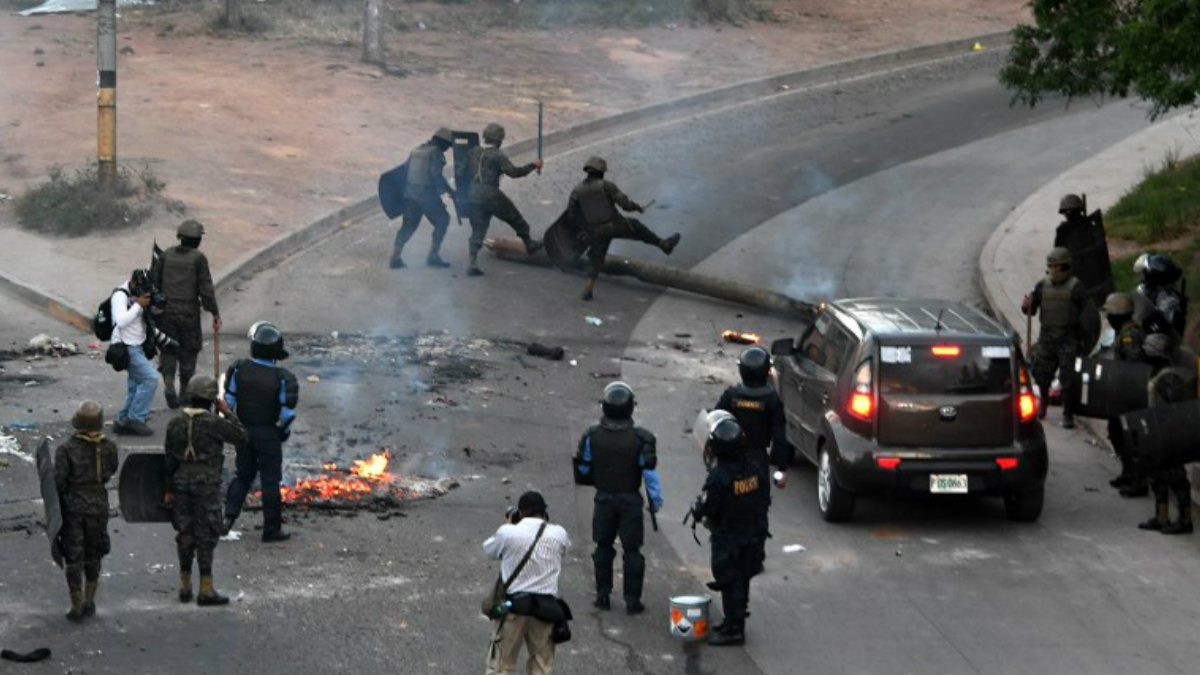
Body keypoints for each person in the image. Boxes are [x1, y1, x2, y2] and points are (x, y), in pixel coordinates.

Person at [572, 382, 662, 614]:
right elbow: (649, 474)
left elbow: (583, 468)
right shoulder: (642, 438)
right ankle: (632, 600)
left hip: (603, 498)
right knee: (632, 551)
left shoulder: (592, 435)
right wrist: (655, 501)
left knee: (602, 546)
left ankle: (603, 594)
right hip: (630, 499)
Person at [164, 375, 247, 605]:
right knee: (206, 535)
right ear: (210, 400)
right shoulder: (214, 423)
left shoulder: (175, 423)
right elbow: (241, 436)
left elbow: (169, 460)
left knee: (185, 534)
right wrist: (227, 411)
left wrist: (168, 489)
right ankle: (206, 589)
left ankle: (184, 585)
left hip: (181, 483)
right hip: (206, 486)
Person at [688, 417, 767, 646]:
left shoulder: (719, 477)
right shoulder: (752, 469)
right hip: (750, 534)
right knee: (739, 580)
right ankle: (731, 621)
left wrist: (697, 510)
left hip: (727, 537)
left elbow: (710, 506)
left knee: (728, 580)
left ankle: (735, 629)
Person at [223, 322, 299, 542]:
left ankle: (227, 521)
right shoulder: (284, 377)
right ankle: (271, 530)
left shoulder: (238, 368)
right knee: (270, 481)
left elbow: (228, 402)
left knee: (242, 477)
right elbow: (287, 414)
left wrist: (230, 426)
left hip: (243, 433)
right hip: (268, 434)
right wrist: (281, 431)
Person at [567, 156, 681, 300]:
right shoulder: (606, 186)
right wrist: (637, 207)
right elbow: (625, 204)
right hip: (614, 225)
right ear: (601, 172)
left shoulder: (576, 191)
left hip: (595, 231)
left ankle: (588, 289)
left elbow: (572, 215)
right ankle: (664, 245)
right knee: (637, 228)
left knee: (596, 258)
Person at [482, 491, 571, 675]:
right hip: (546, 610)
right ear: (544, 512)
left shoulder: (508, 533)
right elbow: (564, 548)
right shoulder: (559, 533)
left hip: (514, 608)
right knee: (541, 667)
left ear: (520, 512)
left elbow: (489, 550)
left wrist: (509, 524)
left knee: (501, 665)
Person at [54, 401, 119, 621]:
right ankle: (90, 600)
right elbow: (111, 471)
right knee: (94, 553)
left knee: (74, 556)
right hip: (99, 504)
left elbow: (58, 482)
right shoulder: (109, 447)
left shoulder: (66, 449)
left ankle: (76, 604)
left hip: (73, 508)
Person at [153, 219, 221, 410]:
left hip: (166, 313)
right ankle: (184, 392)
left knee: (168, 350)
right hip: (189, 313)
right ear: (198, 239)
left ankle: (168, 385)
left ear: (179, 236)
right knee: (189, 352)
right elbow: (206, 290)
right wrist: (214, 312)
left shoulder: (165, 255)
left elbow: (155, 284)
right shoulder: (199, 259)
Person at [1021, 247, 1092, 429]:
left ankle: (1068, 414)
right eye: (1050, 267)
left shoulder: (1076, 287)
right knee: (1042, 374)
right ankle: (1043, 404)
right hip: (1047, 337)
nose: (1052, 271)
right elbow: (1032, 309)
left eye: (1056, 267)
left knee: (1067, 379)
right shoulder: (1042, 285)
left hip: (1068, 339)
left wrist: (1084, 340)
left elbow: (1087, 316)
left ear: (1065, 267)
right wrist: (1026, 305)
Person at [1136, 333, 1197, 534]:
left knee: (1175, 477)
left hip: (1171, 435)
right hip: (1158, 432)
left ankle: (1185, 520)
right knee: (1158, 476)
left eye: (1148, 351)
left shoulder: (1170, 377)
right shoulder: (1161, 373)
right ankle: (1161, 517)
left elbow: (1173, 409)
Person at [465, 122, 544, 276]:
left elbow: (461, 171)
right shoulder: (497, 155)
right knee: (517, 220)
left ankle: (472, 263)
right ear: (499, 140)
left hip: (473, 195)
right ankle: (529, 244)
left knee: (478, 230)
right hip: (491, 195)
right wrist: (533, 165)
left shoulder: (472, 151)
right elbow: (514, 172)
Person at [390, 128, 457, 270]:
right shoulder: (436, 153)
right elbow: (436, 176)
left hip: (410, 195)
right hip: (427, 196)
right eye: (447, 145)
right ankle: (433, 256)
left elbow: (405, 170)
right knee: (443, 220)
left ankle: (395, 257)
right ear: (442, 142)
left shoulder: (416, 150)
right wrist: (450, 191)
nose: (447, 149)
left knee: (407, 226)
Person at [1104, 292, 1150, 497]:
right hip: (1124, 392)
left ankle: (1138, 480)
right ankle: (1127, 472)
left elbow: (1134, 367)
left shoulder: (1130, 335)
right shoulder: (1123, 331)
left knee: (1132, 438)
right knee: (1116, 431)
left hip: (1132, 395)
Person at [111, 269, 161, 436]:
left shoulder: (141, 293)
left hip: (137, 345)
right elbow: (121, 321)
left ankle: (122, 420)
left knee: (135, 386)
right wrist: (138, 305)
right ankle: (136, 419)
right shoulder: (120, 296)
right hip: (126, 346)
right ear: (132, 282)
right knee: (150, 379)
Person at [1133, 253, 1187, 337]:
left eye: (1145, 276)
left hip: (1162, 343)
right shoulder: (1150, 292)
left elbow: (1162, 330)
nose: (1143, 281)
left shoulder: (1169, 302)